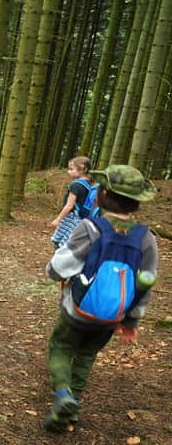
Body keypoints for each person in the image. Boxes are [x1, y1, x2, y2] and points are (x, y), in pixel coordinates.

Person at [43, 165, 157, 432]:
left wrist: (52, 272)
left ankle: (63, 395)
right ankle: (73, 408)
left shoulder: (91, 227)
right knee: (86, 355)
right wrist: (131, 321)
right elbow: (146, 282)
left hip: (77, 309)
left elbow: (59, 267)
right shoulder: (146, 238)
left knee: (61, 346)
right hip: (112, 316)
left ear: (103, 194)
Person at [50, 156, 93, 248]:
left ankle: (58, 261)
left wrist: (58, 219)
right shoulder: (88, 183)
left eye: (71, 169)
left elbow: (69, 205)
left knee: (59, 243)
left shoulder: (75, 185)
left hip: (70, 218)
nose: (68, 171)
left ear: (82, 170)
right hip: (80, 219)